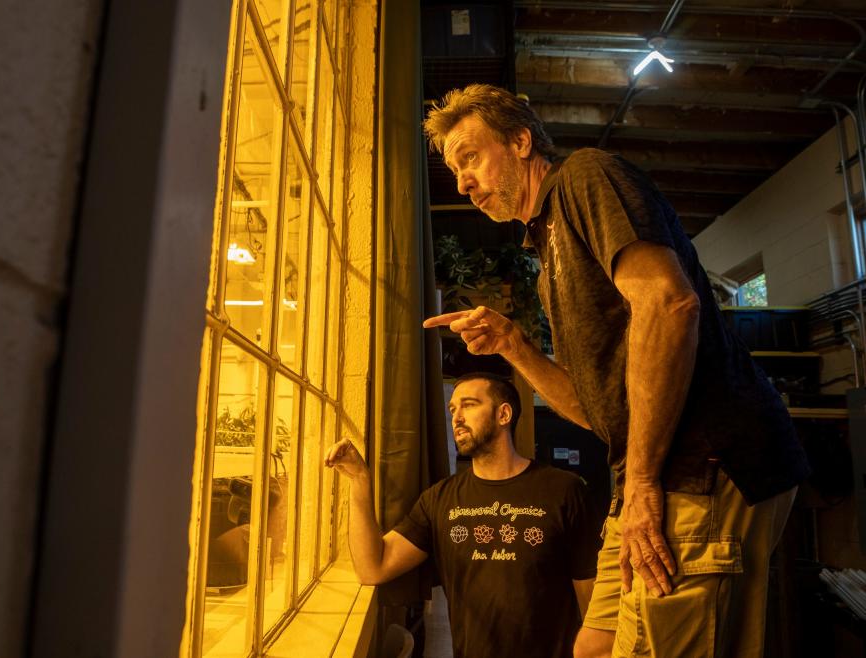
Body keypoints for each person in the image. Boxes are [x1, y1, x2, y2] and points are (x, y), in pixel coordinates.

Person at [420, 84, 809, 658]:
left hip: (702, 465)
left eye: (471, 157)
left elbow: (669, 304)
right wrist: (513, 344)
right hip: (645, 476)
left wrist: (646, 482)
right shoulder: (546, 250)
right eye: (454, 170)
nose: (462, 182)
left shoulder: (585, 178)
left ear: (522, 141)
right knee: (594, 647)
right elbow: (594, 410)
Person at [325, 372, 600, 658]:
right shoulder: (439, 499)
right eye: (453, 409)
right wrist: (359, 479)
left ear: (503, 414)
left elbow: (592, 599)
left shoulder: (564, 490)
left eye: (469, 405)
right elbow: (373, 567)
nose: (457, 417)